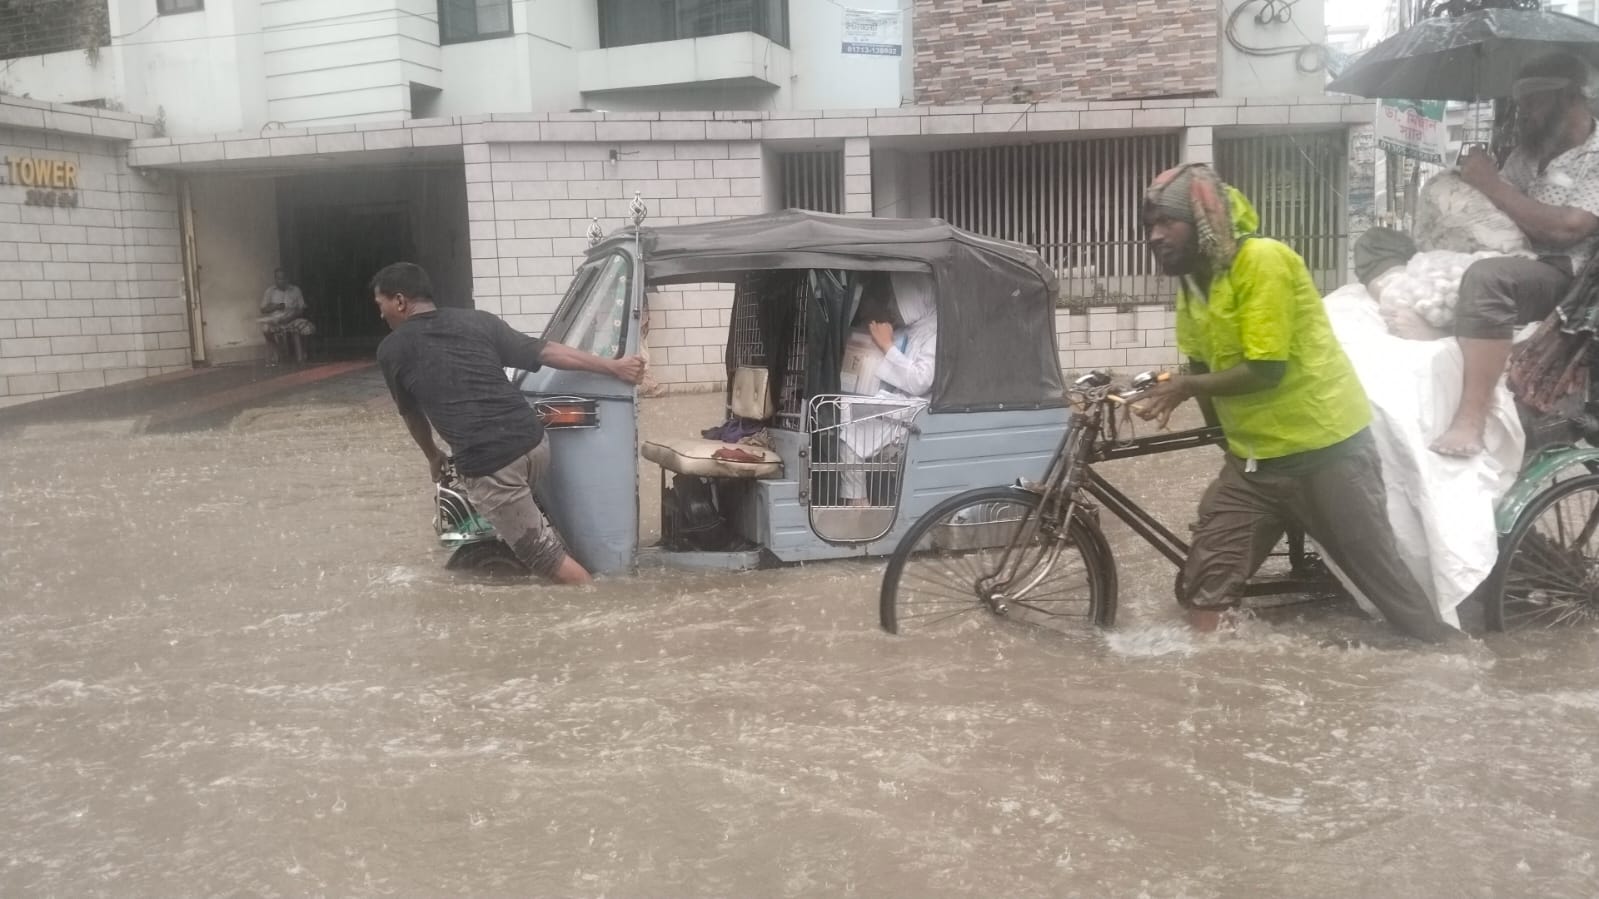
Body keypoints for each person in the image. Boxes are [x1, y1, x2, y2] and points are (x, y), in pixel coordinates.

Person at [1134, 163, 1460, 644]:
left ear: (1203, 221)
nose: (1156, 236)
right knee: (1203, 589)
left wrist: (1185, 388)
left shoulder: (1263, 261)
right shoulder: (1192, 288)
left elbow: (1267, 368)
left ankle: (1451, 662)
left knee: (1390, 592)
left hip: (1326, 452)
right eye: (1150, 227)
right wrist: (1219, 436)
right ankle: (1215, 693)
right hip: (1254, 465)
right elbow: (1202, 369)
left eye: (1167, 222)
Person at [372, 262, 646, 585]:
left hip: (492, 466)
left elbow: (412, 416)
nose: (381, 314)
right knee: (534, 530)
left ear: (400, 302)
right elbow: (546, 351)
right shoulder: (477, 321)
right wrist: (613, 367)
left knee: (544, 558)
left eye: (381, 305)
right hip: (535, 444)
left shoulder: (392, 349)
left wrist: (433, 456)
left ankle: (602, 604)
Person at [1435, 53, 1599, 456]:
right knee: (1384, 243)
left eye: (1534, 102)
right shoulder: (1526, 156)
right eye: (1521, 104)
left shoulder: (1595, 156)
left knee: (1489, 277)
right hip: (1507, 255)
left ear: (1572, 100)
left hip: (1563, 279)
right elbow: (1491, 212)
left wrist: (1491, 185)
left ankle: (1469, 419)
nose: (1523, 114)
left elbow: (1567, 229)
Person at [839, 272, 937, 506]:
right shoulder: (914, 327)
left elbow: (921, 380)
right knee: (845, 409)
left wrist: (887, 346)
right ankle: (857, 499)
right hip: (900, 405)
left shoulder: (935, 331)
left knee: (851, 424)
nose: (891, 308)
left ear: (915, 296)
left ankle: (857, 503)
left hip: (919, 412)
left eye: (896, 300)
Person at [258, 268, 315, 365]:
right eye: (278, 278)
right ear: (275, 279)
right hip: (276, 321)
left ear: (287, 279)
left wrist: (291, 317)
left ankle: (302, 354)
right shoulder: (270, 291)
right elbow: (263, 309)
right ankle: (277, 351)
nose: (281, 281)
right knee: (265, 329)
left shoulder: (295, 290)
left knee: (307, 328)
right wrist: (275, 306)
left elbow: (301, 308)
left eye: (283, 278)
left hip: (292, 319)